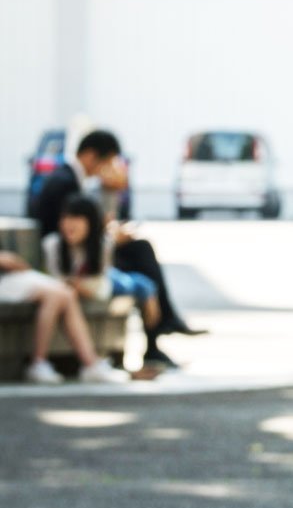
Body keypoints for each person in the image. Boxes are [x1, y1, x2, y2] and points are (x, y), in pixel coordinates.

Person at [34, 129, 204, 367]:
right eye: (108, 162)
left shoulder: (68, 178)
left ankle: (161, 328)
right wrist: (112, 236)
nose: (108, 169)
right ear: (91, 155)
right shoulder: (65, 182)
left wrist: (111, 211)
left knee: (141, 254)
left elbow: (94, 224)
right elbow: (73, 231)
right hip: (74, 260)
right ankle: (161, 328)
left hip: (83, 253)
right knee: (142, 257)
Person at [42, 194, 163, 344]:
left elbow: (102, 284)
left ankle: (149, 292)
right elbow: (54, 280)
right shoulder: (52, 244)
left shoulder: (102, 245)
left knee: (131, 283)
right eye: (65, 218)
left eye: (76, 218)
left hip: (104, 281)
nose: (69, 224)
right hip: (95, 283)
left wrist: (78, 286)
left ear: (91, 222)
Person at [0, 250, 129, 385]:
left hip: (14, 276)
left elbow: (19, 265)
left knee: (67, 293)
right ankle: (39, 363)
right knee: (56, 295)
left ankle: (91, 364)